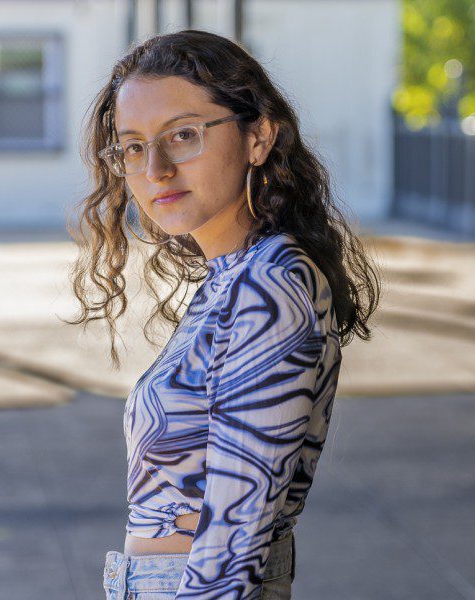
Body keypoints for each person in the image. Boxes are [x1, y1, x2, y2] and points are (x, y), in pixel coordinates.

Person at [65, 29, 381, 600]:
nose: (154, 168)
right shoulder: (235, 275)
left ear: (258, 137)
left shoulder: (273, 284)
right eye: (133, 147)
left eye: (183, 135)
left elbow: (236, 544)